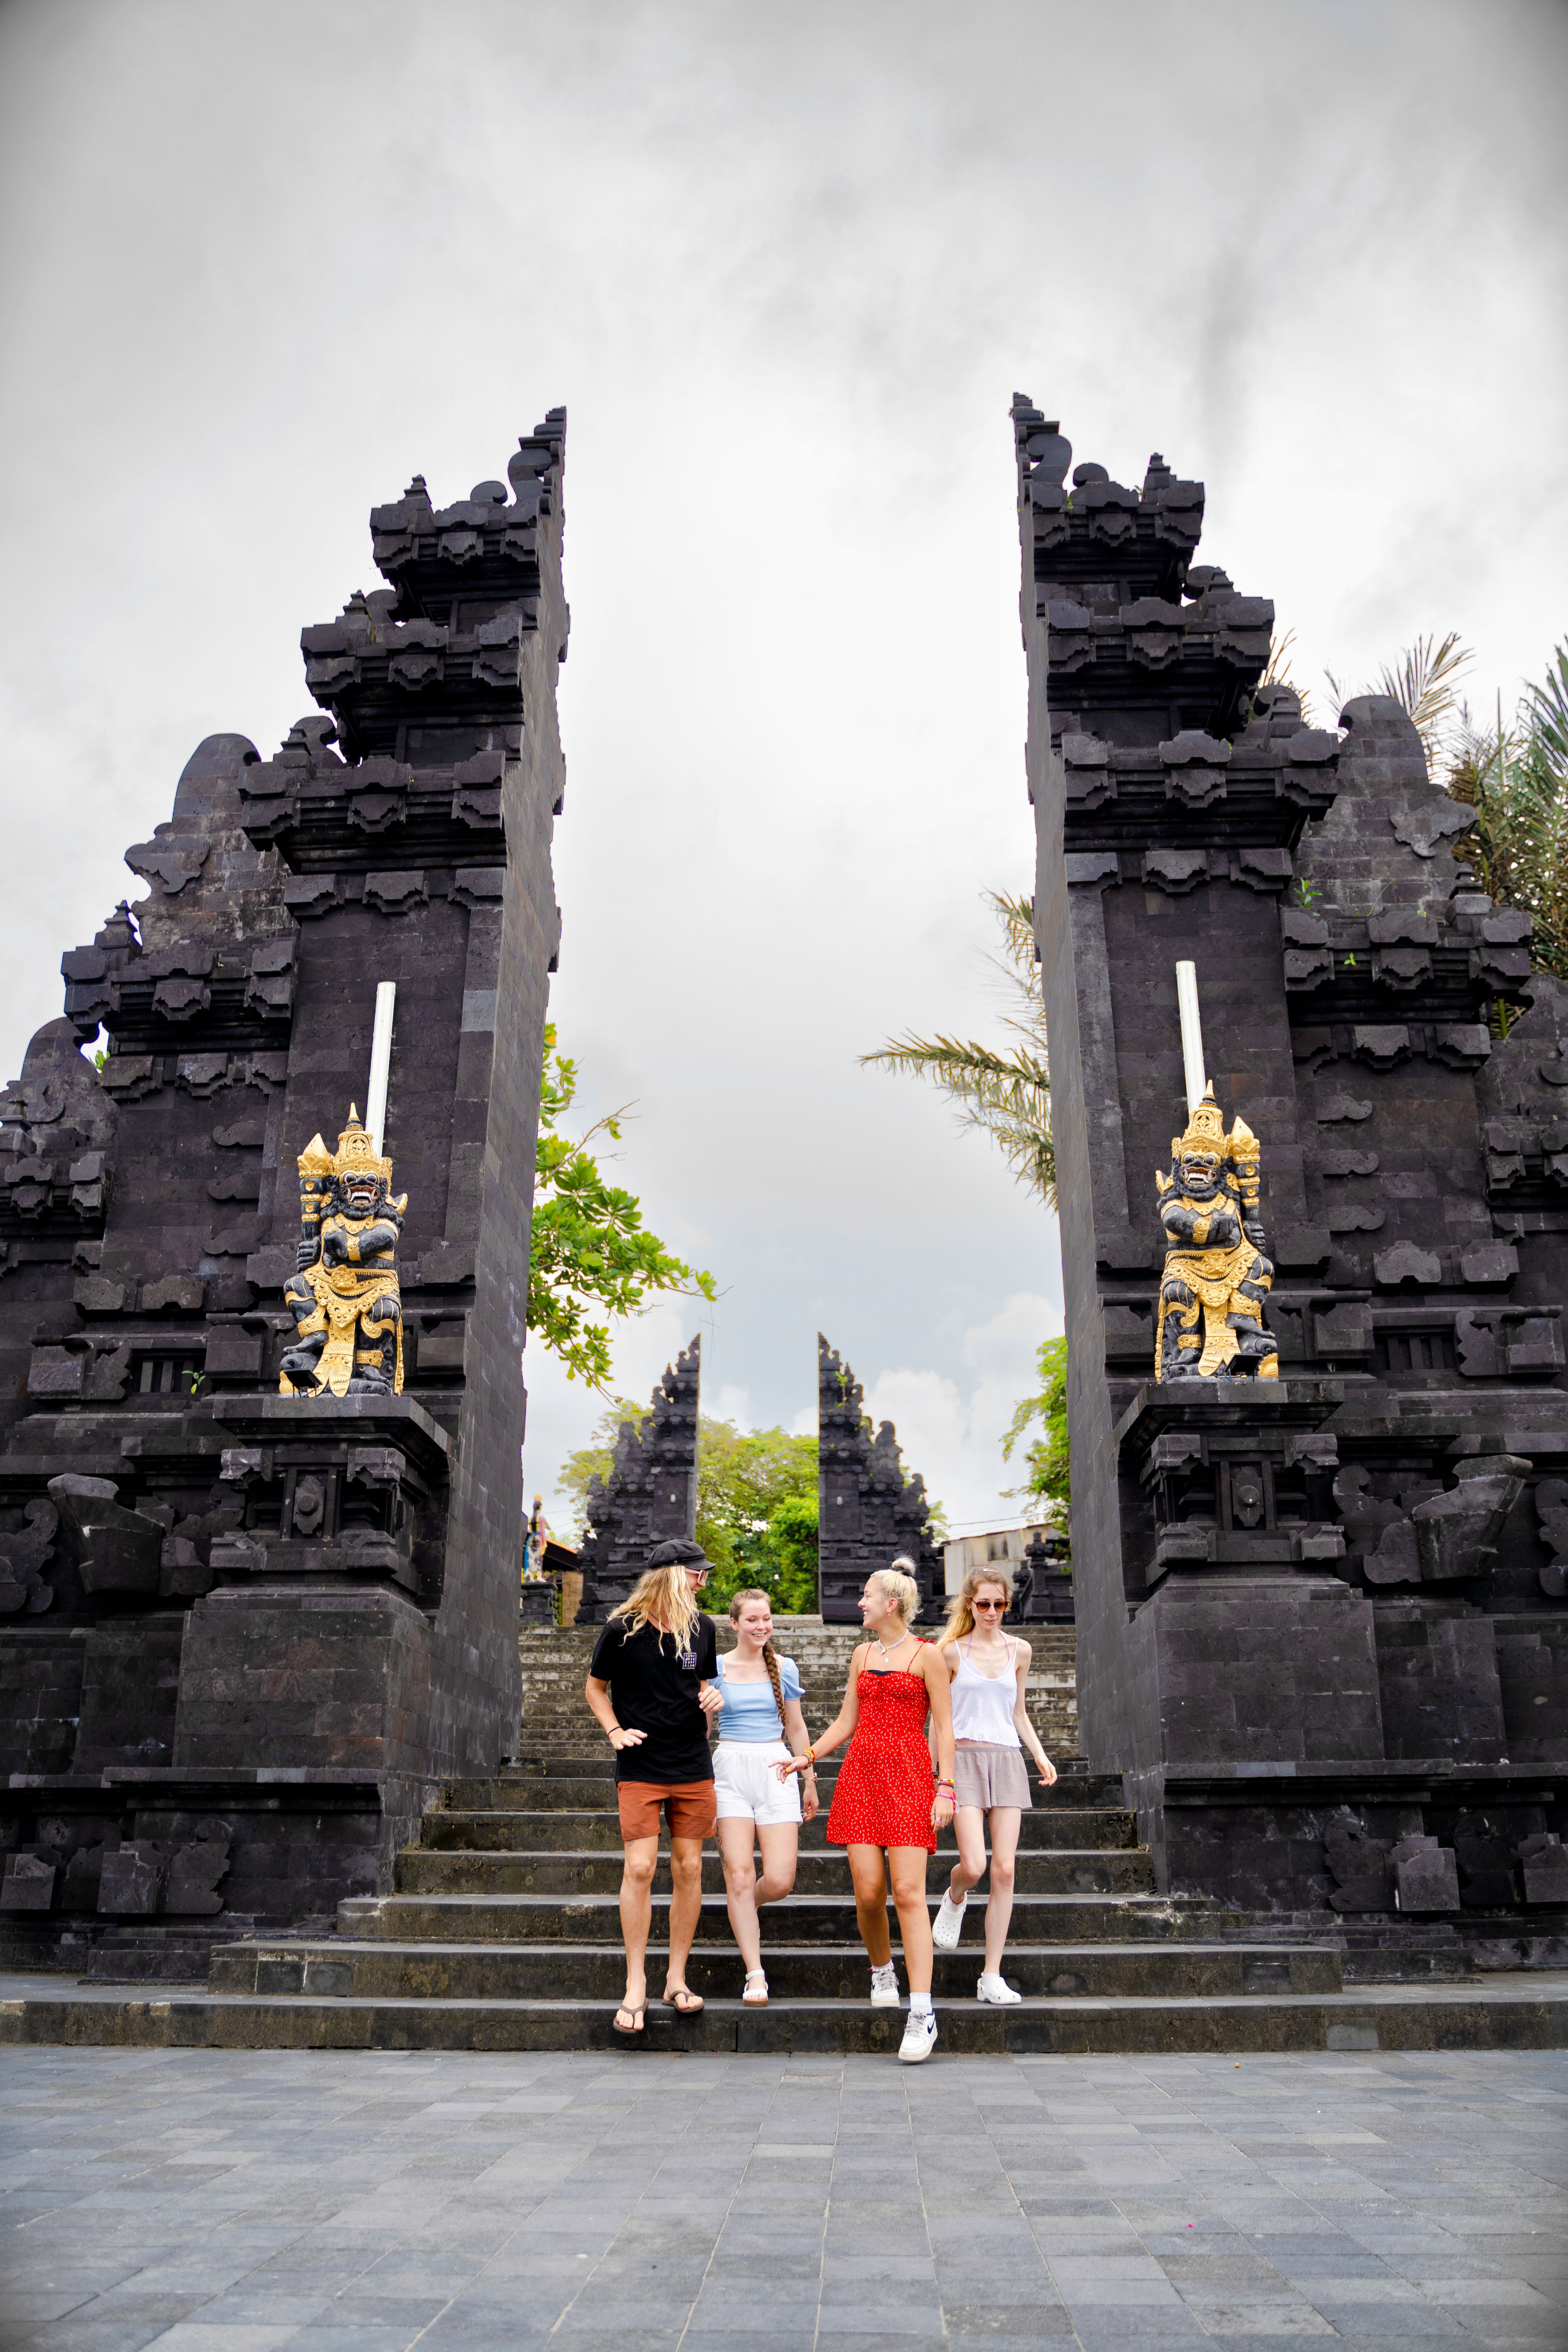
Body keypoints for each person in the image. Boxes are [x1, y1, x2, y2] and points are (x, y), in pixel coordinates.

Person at [777, 1558, 955, 2063]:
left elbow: (943, 1729)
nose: (860, 1603)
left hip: (910, 1779)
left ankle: (922, 2014)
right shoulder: (861, 1654)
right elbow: (845, 1721)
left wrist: (947, 1789)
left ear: (890, 1604)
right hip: (861, 1777)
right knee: (870, 1891)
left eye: (867, 1596)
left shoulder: (928, 1656)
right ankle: (882, 1968)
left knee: (908, 1893)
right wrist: (807, 1757)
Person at [584, 1538, 722, 2037]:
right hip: (640, 1765)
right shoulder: (622, 1629)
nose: (702, 1581)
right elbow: (595, 1688)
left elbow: (704, 1686)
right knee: (639, 1868)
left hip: (691, 1763)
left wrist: (712, 1698)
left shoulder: (702, 1628)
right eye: (696, 1573)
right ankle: (636, 1981)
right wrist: (614, 1731)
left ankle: (676, 1978)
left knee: (689, 1868)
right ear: (669, 1575)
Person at [931, 1566, 1057, 2003]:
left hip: (1005, 1759)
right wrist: (938, 1778)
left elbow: (1018, 1711)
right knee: (975, 1865)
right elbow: (939, 1722)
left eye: (998, 1604)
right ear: (969, 1603)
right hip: (962, 1760)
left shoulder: (1020, 1650)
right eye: (982, 1604)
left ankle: (991, 1976)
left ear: (1007, 1605)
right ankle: (955, 1895)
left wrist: (1038, 1754)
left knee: (1004, 1869)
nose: (990, 1611)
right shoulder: (949, 1653)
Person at [713, 1588, 818, 2005]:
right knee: (738, 1876)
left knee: (778, 1880)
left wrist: (809, 1778)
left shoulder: (784, 1667)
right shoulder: (715, 1667)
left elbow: (796, 1728)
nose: (761, 1626)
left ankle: (745, 1907)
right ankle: (755, 1974)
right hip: (729, 1770)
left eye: (767, 1619)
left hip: (776, 1768)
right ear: (735, 1623)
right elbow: (700, 1727)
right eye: (752, 1619)